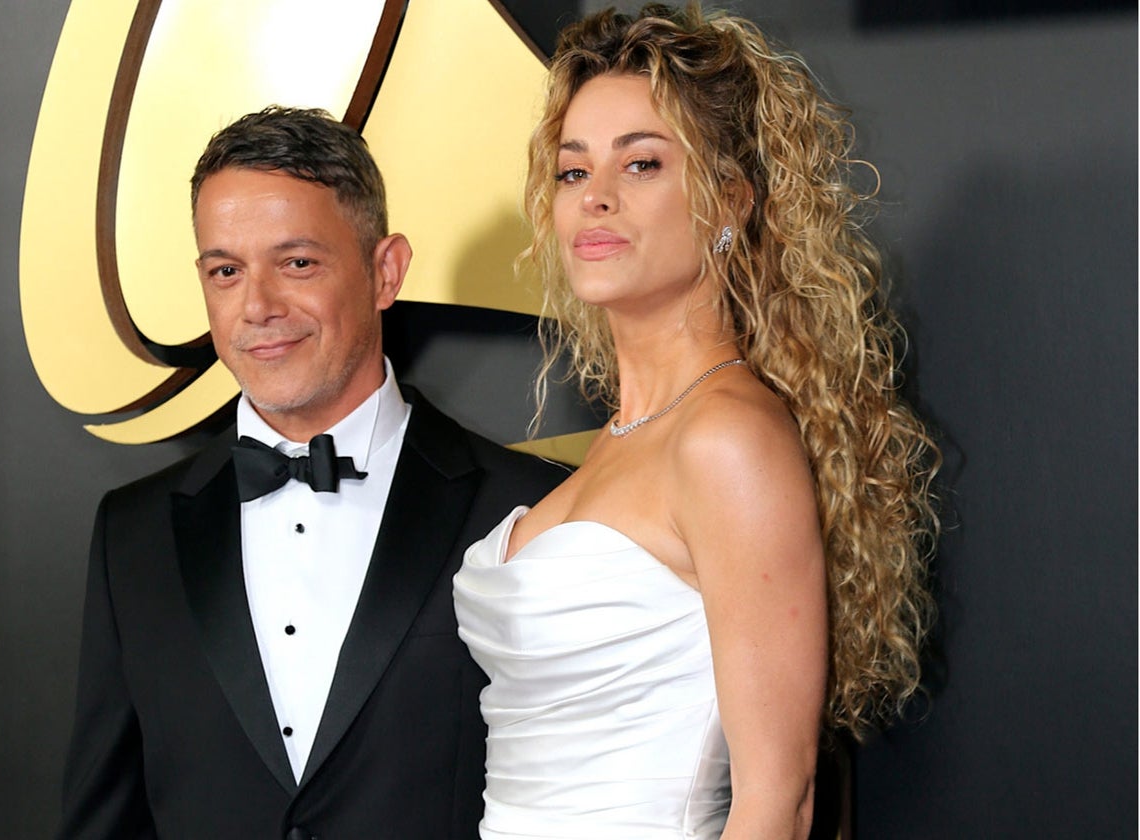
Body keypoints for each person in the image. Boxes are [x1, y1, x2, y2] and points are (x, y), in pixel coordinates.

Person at [453, 5, 940, 839]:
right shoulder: (627, 439)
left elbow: (776, 802)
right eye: (573, 173)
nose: (596, 198)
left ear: (728, 202)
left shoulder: (727, 439)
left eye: (641, 164)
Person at [57, 106, 567, 839]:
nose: (257, 306)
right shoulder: (130, 535)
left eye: (297, 263)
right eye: (227, 271)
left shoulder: (530, 510)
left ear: (384, 271)